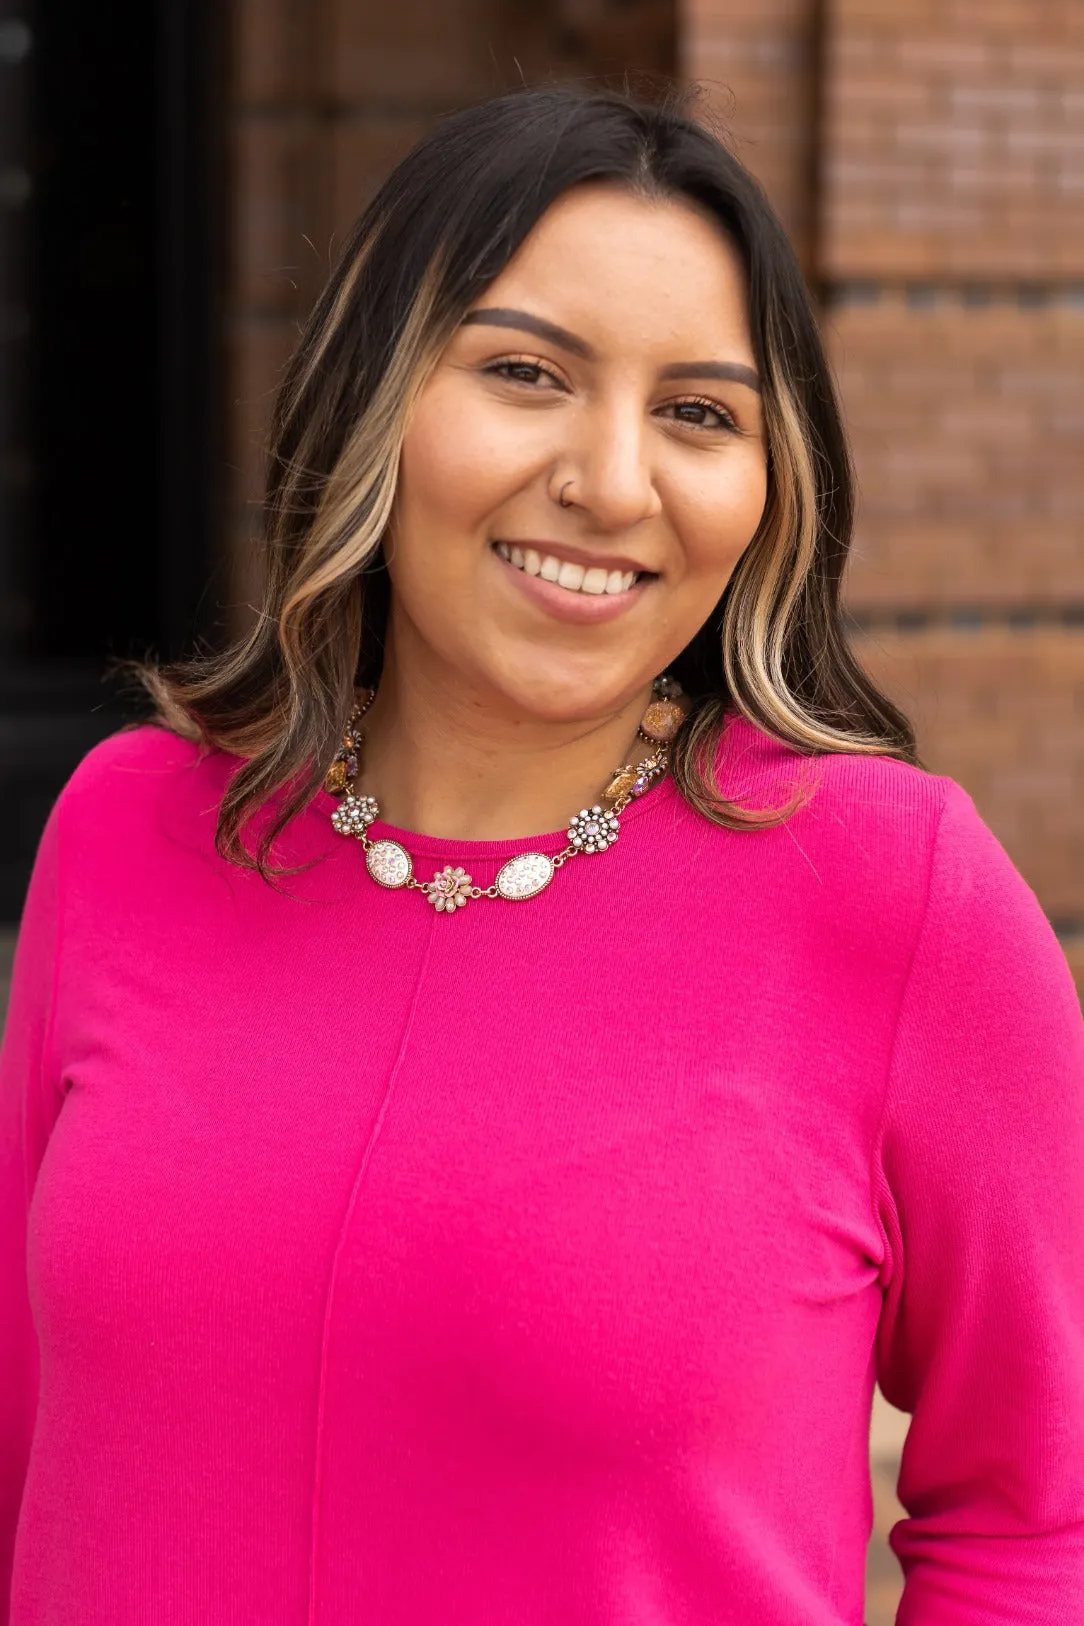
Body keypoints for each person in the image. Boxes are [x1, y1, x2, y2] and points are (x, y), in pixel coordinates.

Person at [1, 85, 1082, 1626]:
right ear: (374, 399)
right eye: (526, 373)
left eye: (701, 414)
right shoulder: (133, 827)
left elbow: (1039, 1520)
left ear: (774, 493)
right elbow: (26, 1441)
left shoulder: (896, 890)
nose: (613, 480)